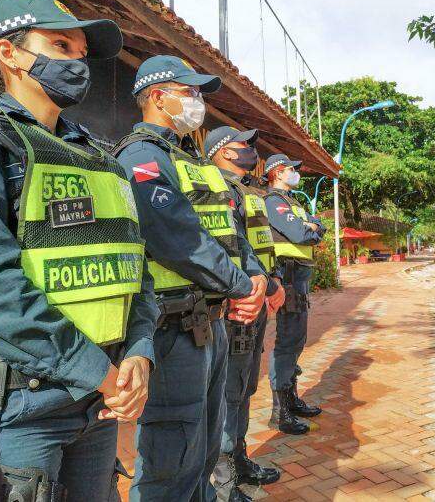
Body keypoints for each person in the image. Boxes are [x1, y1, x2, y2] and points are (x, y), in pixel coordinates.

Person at [0, 0, 157, 500]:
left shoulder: (100, 157)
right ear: (8, 54)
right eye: (60, 45)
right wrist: (98, 369)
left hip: (97, 404)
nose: (77, 63)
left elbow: (134, 264)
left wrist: (140, 351)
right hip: (14, 413)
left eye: (81, 54)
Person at [112, 56, 267, 502]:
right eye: (191, 92)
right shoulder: (141, 157)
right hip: (171, 327)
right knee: (170, 461)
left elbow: (229, 233)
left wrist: (253, 280)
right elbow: (178, 239)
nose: (198, 103)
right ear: (159, 97)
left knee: (201, 449)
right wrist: (242, 286)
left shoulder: (190, 162)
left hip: (209, 324)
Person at [207, 126, 285, 501]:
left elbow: (252, 246)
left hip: (254, 297)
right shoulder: (215, 188)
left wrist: (269, 282)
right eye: (244, 145)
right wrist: (255, 284)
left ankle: (239, 459)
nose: (251, 151)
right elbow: (223, 248)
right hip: (234, 305)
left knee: (244, 387)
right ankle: (224, 481)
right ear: (222, 151)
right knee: (229, 393)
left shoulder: (245, 192)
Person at [264, 154, 325, 435]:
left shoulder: (294, 202)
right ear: (277, 172)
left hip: (299, 275)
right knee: (288, 340)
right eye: (291, 169)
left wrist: (313, 228)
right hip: (287, 274)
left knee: (298, 338)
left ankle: (291, 398)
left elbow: (317, 227)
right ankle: (281, 412)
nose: (295, 173)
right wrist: (311, 229)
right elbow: (301, 234)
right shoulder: (274, 201)